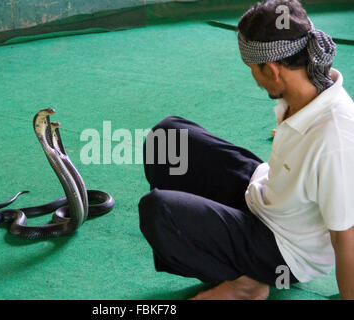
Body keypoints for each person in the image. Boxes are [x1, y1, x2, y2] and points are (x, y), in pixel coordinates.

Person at [138, 0, 354, 300]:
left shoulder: (335, 139)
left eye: (253, 68)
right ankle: (237, 256)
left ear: (273, 69)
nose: (252, 77)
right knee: (167, 138)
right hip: (268, 195)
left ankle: (247, 281)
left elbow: (347, 236)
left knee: (158, 212)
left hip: (284, 249)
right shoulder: (309, 86)